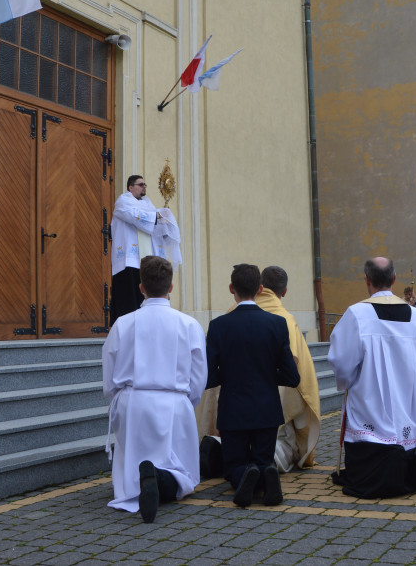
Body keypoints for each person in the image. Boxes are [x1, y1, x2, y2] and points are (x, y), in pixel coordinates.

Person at [328, 257, 416, 498]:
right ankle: (412, 465)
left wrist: (347, 381)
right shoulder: (415, 316)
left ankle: (377, 474)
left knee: (372, 430)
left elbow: (341, 361)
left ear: (367, 280)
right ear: (395, 279)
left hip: (370, 399)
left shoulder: (356, 314)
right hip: (407, 398)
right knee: (404, 428)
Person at [102, 256, 207, 523]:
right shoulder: (189, 325)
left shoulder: (123, 324)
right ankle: (160, 478)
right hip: (175, 403)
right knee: (182, 473)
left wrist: (120, 400)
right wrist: (186, 402)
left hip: (132, 401)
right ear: (171, 287)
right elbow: (199, 375)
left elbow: (110, 372)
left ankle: (142, 479)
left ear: (141, 288)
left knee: (133, 459)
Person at [205, 264, 300, 507]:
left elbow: (207, 376)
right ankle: (266, 474)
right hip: (266, 408)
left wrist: (229, 375)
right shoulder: (277, 324)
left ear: (231, 288)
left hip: (233, 408)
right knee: (263, 457)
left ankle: (246, 475)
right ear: (260, 289)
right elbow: (292, 377)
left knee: (234, 465)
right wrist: (267, 376)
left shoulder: (218, 326)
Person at [258, 266, 322, 472]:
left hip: (237, 400)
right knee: (281, 441)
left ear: (260, 287)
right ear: (284, 292)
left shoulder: (233, 313)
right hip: (274, 397)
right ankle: (268, 463)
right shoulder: (286, 320)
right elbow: (295, 368)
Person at [110, 175, 181, 324]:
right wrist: (157, 216)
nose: (144, 187)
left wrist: (166, 222)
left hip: (147, 260)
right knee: (129, 298)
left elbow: (154, 225)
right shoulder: (123, 202)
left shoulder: (149, 205)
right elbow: (135, 217)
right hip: (130, 260)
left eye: (145, 185)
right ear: (131, 187)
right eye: (140, 184)